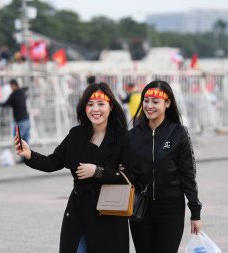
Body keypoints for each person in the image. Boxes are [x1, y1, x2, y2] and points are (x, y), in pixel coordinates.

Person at [15, 82, 138, 253]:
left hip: (110, 213)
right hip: (79, 211)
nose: (95, 109)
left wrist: (97, 171)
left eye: (101, 104)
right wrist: (29, 154)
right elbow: (52, 162)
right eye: (90, 104)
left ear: (110, 107)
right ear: (84, 108)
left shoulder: (122, 137)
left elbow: (131, 175)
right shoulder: (76, 135)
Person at [128, 80, 202, 253]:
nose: (149, 106)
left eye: (155, 101)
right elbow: (127, 171)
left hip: (171, 208)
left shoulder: (178, 133)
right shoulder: (132, 135)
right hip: (141, 208)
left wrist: (195, 212)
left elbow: (188, 174)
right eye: (146, 101)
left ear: (167, 103)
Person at [0, 79, 31, 158]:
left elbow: (6, 104)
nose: (10, 88)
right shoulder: (22, 92)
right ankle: (26, 157)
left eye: (11, 86)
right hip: (27, 120)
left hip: (20, 122)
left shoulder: (14, 94)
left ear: (14, 85)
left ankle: (23, 157)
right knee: (25, 140)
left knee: (18, 140)